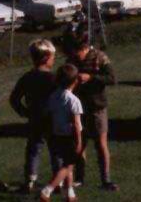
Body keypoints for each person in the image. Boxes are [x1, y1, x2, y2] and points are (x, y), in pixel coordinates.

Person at [67, 36, 118, 191]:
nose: (76, 56)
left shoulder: (100, 57)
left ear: (85, 48)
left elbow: (111, 78)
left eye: (78, 52)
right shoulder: (72, 59)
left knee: (101, 144)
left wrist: (91, 77)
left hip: (97, 107)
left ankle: (106, 179)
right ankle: (79, 178)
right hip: (78, 108)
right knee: (79, 144)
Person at [10, 39, 57, 194]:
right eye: (53, 56)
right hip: (52, 119)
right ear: (46, 57)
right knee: (56, 150)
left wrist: (24, 112)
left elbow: (14, 98)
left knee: (33, 149)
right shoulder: (53, 78)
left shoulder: (27, 77)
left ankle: (30, 180)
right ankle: (58, 180)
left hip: (34, 118)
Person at [39, 64, 83, 202]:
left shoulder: (53, 96)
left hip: (56, 135)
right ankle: (47, 190)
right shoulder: (74, 100)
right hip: (70, 137)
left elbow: (48, 114)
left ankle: (69, 194)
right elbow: (76, 124)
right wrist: (79, 142)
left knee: (66, 163)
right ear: (76, 81)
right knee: (68, 166)